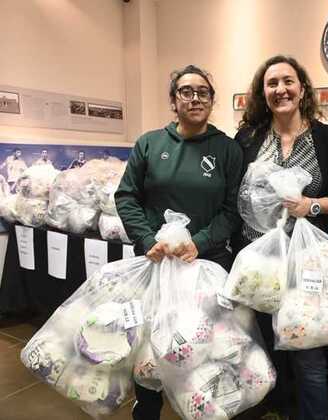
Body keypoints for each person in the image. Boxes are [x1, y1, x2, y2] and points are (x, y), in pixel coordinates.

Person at [115, 65, 243, 420]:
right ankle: (148, 410)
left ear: (212, 100)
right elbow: (126, 196)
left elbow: (234, 211)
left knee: (206, 352)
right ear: (173, 100)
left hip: (208, 266)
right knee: (152, 355)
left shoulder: (227, 149)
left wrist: (199, 243)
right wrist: (145, 239)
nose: (195, 98)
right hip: (157, 266)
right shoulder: (149, 144)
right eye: (186, 91)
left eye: (203, 92)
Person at [233, 55, 328, 420]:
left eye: (287, 81)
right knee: (264, 346)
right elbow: (234, 194)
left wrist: (311, 205)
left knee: (308, 352)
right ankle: (277, 409)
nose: (280, 89)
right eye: (271, 83)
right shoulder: (248, 138)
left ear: (302, 88)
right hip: (259, 262)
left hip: (306, 263)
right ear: (261, 92)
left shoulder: (327, 138)